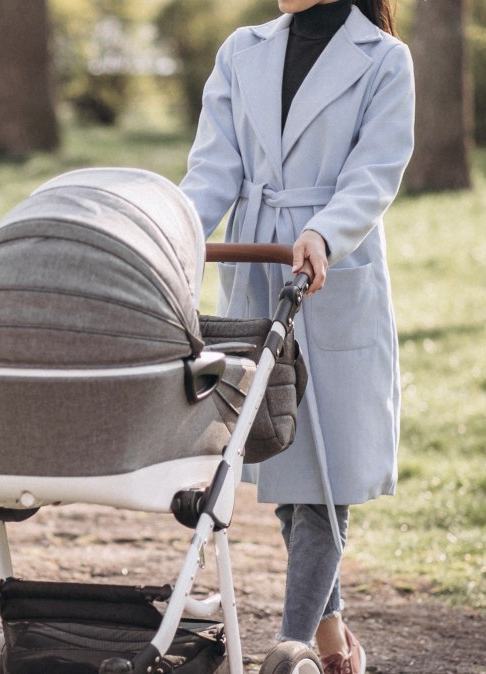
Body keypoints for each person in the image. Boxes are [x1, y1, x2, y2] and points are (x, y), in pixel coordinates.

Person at [178, 0, 414, 672]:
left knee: (327, 477)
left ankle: (291, 648)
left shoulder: (386, 61)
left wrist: (323, 234)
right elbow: (211, 172)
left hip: (332, 275)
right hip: (257, 268)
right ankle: (332, 639)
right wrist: (173, 234)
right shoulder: (240, 50)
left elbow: (375, 175)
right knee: (283, 468)